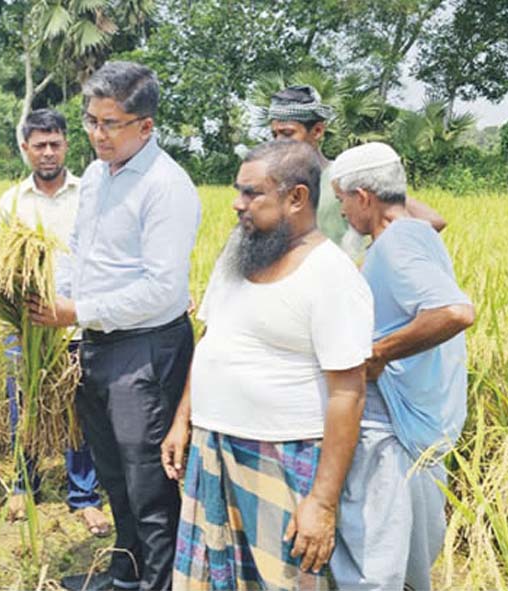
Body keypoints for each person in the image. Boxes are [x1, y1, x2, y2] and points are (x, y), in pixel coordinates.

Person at [165, 140, 373, 591]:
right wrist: (184, 419)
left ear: (296, 197)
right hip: (212, 444)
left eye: (252, 193)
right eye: (239, 191)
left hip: (281, 455)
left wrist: (321, 502)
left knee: (279, 581)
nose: (238, 204)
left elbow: (348, 393)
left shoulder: (331, 276)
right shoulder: (238, 254)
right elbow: (212, 339)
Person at [29, 61, 200, 591]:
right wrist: (53, 293)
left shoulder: (166, 186)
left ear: (144, 127)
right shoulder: (99, 176)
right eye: (91, 120)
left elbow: (162, 290)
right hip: (97, 344)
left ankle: (158, 583)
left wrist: (75, 311)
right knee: (114, 474)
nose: (97, 134)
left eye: (110, 123)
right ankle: (125, 574)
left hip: (144, 349)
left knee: (150, 481)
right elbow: (80, 253)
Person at [328, 142, 475, 591]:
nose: (341, 213)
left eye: (342, 200)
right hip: (418, 422)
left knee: (375, 555)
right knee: (409, 553)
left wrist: (377, 353)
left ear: (365, 197)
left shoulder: (396, 244)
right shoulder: (418, 231)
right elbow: (433, 218)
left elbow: (454, 311)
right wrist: (385, 173)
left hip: (391, 426)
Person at [0, 108, 110, 537]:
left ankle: (84, 495)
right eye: (39, 145)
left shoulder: (89, 195)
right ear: (25, 149)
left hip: (78, 322)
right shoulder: (12, 202)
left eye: (55, 143)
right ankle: (25, 485)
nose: (47, 152)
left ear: (66, 145)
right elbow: (1, 267)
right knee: (22, 406)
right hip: (26, 326)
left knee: (79, 409)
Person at [258, 84, 446, 258]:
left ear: (317, 131)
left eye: (288, 133)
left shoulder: (343, 178)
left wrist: (369, 260)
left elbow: (432, 221)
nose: (278, 143)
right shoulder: (276, 186)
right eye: (274, 134)